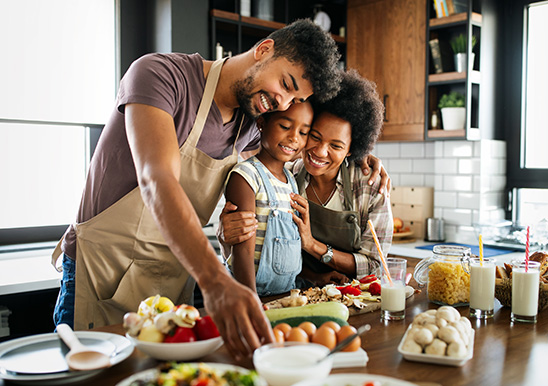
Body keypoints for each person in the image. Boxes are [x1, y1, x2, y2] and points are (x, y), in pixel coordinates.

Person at [51, 19, 343, 359]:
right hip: (103, 272)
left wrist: (359, 165)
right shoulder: (160, 76)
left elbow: (289, 160)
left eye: (295, 97)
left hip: (170, 281)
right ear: (264, 50)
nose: (282, 102)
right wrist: (216, 280)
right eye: (285, 84)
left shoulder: (249, 125)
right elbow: (156, 180)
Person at [220, 70, 393, 288]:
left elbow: (375, 265)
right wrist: (226, 230)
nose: (320, 152)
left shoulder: (370, 186)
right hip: (298, 294)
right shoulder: (288, 175)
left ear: (352, 150)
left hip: (355, 297)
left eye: (336, 146)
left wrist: (313, 245)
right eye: (314, 136)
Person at [225, 102, 313, 296]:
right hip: (248, 294)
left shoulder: (291, 181)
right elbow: (243, 250)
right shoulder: (246, 176)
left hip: (285, 294)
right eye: (285, 127)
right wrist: (250, 300)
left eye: (303, 132)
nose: (293, 138)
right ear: (262, 123)